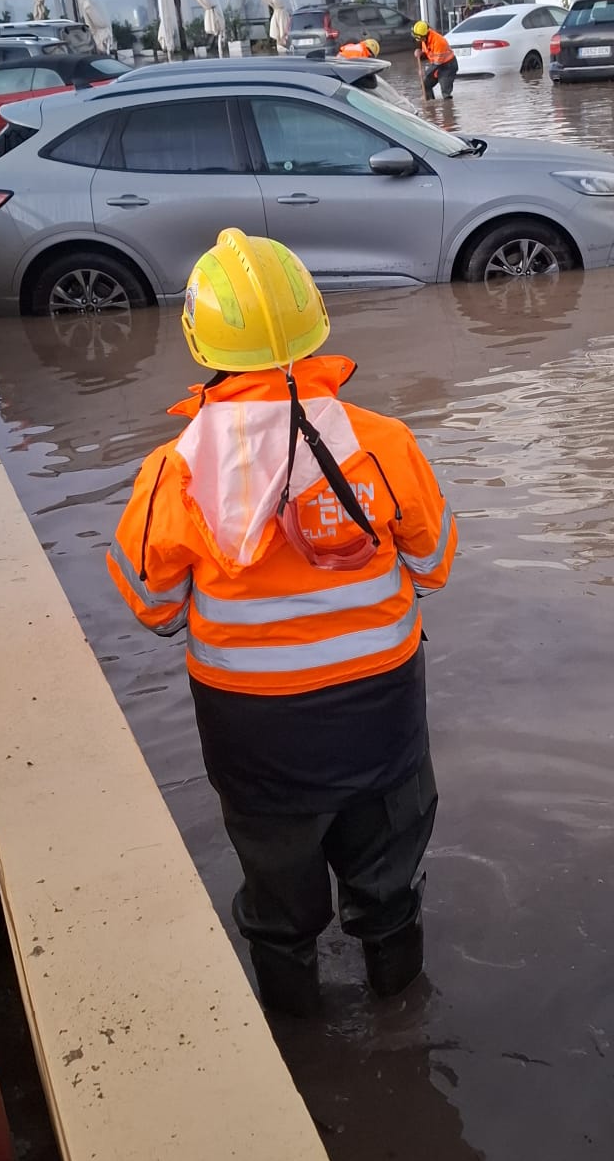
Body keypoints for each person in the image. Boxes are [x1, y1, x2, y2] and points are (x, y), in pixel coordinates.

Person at [107, 229, 457, 1018]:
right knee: (389, 886)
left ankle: (300, 1049)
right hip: (382, 722)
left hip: (255, 742)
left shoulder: (176, 470)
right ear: (316, 325)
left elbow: (152, 606)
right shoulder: (385, 444)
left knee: (278, 907)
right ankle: (403, 1019)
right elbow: (433, 563)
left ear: (202, 341)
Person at [411, 18, 458, 98]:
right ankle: (431, 106)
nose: (417, 40)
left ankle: (448, 108)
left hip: (448, 67)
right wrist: (420, 54)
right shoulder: (424, 40)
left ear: (424, 35)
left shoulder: (439, 41)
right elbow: (429, 54)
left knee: (445, 92)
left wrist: (425, 72)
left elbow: (437, 63)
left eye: (418, 38)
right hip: (437, 66)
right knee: (425, 85)